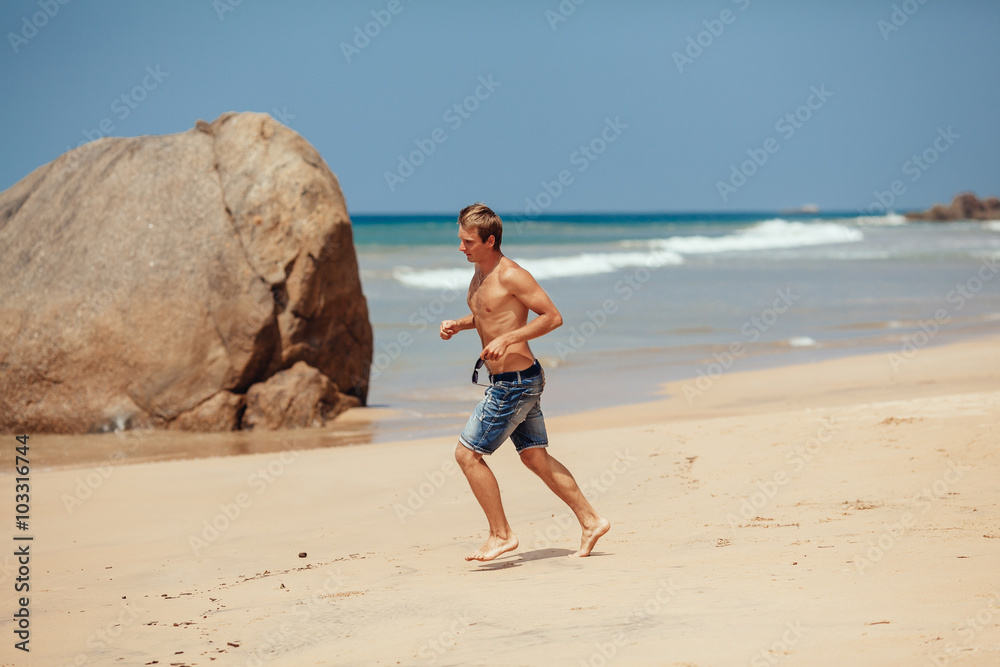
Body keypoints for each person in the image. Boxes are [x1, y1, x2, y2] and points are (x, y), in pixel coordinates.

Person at [440, 203, 610, 562]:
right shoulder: (481, 274)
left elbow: (553, 316)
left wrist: (509, 339)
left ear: (489, 240)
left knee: (467, 455)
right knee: (534, 457)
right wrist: (459, 324)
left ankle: (501, 535)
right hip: (519, 380)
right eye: (460, 240)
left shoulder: (512, 274)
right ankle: (591, 521)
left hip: (514, 384)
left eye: (468, 241)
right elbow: (489, 313)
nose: (462, 248)